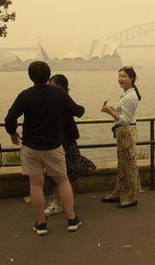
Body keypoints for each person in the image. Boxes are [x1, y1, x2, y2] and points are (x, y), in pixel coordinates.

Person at [4, 61, 84, 235]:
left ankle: (41, 224)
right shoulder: (58, 93)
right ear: (48, 75)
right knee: (62, 181)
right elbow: (77, 111)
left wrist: (12, 133)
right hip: (53, 146)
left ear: (30, 76)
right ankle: (71, 219)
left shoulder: (25, 95)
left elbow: (9, 119)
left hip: (30, 146)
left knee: (36, 184)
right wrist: (81, 108)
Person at [44, 74, 96, 216]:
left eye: (54, 85)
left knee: (61, 172)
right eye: (50, 85)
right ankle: (60, 202)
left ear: (62, 86)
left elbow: (79, 111)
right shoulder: (52, 99)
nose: (51, 88)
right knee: (56, 173)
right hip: (56, 141)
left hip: (65, 140)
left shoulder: (61, 99)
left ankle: (60, 202)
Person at [100, 66, 142, 208]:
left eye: (124, 76)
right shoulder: (128, 94)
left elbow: (124, 120)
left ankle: (132, 197)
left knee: (130, 166)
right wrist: (114, 109)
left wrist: (108, 112)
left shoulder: (129, 97)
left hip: (126, 133)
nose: (121, 79)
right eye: (119, 76)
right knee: (123, 165)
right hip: (124, 133)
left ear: (131, 78)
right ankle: (117, 192)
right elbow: (124, 114)